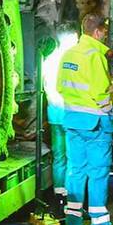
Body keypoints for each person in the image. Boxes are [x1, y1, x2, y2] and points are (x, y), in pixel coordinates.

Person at [57, 13, 113, 225]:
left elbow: (60, 86)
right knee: (98, 175)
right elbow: (101, 93)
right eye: (104, 31)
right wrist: (112, 115)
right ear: (96, 32)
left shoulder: (69, 54)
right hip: (95, 126)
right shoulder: (95, 56)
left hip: (72, 123)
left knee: (75, 173)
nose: (105, 35)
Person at [42, 30, 75, 209]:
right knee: (72, 157)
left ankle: (59, 195)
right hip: (70, 115)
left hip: (54, 115)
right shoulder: (71, 61)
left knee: (59, 157)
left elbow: (46, 86)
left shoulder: (49, 60)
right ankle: (71, 197)